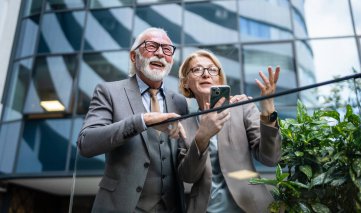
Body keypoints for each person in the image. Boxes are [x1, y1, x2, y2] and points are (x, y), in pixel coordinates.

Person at [77, 27, 188, 213]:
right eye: (152, 46)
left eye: (167, 49)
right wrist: (142, 121)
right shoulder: (109, 92)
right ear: (133, 56)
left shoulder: (179, 102)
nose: (160, 53)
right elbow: (86, 143)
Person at [177, 49, 282, 213]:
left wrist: (268, 109)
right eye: (197, 69)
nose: (206, 74)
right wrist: (203, 136)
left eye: (212, 70)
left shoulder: (242, 107)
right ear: (185, 82)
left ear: (219, 78)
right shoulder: (183, 124)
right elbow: (188, 176)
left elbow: (271, 158)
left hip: (251, 206)